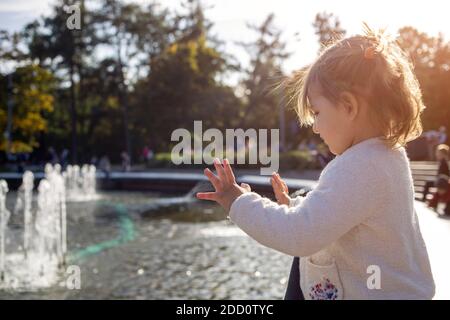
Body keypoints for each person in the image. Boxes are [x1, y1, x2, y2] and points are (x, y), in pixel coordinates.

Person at [196, 26, 435, 299]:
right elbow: (344, 217)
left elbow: (300, 236)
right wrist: (295, 207)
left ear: (349, 106)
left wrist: (237, 201)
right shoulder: (385, 156)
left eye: (317, 112)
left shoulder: (360, 167)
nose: (316, 128)